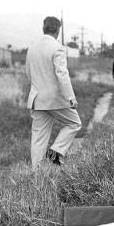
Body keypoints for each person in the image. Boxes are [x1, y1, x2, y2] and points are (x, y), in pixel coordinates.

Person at [25, 16, 82, 167]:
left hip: (37, 99)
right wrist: (71, 98)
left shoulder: (32, 48)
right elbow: (62, 74)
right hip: (55, 99)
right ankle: (56, 151)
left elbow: (28, 74)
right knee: (74, 123)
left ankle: (36, 176)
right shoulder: (57, 48)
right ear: (58, 30)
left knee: (38, 137)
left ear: (43, 28)